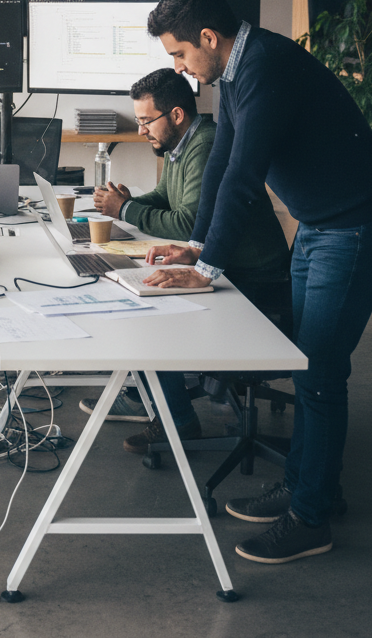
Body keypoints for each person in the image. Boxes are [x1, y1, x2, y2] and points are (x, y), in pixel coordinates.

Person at [142, 0, 372, 565]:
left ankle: (310, 518)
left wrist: (210, 267)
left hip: (359, 227)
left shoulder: (266, 66)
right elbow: (222, 165)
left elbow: (247, 176)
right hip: (321, 226)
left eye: (182, 55)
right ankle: (310, 487)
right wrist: (195, 244)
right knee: (310, 366)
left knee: (318, 372)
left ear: (209, 38)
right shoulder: (238, 72)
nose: (184, 70)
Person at [83, 68, 291, 454]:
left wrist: (125, 210)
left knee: (145, 310)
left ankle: (177, 419)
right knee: (137, 293)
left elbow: (186, 222)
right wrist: (125, 205)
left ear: (176, 115)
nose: (141, 130)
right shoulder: (179, 146)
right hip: (225, 267)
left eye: (146, 121)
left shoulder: (207, 144)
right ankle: (150, 396)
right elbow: (166, 197)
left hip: (252, 279)